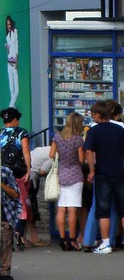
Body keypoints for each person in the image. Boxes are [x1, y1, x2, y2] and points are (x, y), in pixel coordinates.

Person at [82, 99, 124, 254]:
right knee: (122, 209)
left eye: (93, 114)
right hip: (120, 172)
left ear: (98, 115)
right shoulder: (120, 130)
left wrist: (92, 170)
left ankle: (105, 243)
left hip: (103, 174)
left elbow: (88, 151)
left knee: (103, 210)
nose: (92, 117)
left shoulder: (94, 131)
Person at [0, 107, 41, 247]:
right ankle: (19, 232)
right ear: (16, 119)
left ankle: (6, 236)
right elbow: (25, 151)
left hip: (2, 172)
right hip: (18, 172)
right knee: (22, 202)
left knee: (4, 203)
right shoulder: (21, 132)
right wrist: (29, 169)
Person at [50, 112, 86, 251]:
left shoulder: (57, 136)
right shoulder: (78, 140)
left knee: (61, 208)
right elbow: (81, 160)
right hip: (75, 175)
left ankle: (62, 238)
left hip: (62, 174)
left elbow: (51, 154)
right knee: (72, 209)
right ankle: (72, 239)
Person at [0, 147, 21, 280]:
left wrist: (0, 184)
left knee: (6, 241)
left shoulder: (5, 171)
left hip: (4, 213)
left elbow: (15, 193)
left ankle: (4, 271)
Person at [4, 16, 19, 108]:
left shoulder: (15, 32)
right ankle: (13, 106)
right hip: (9, 61)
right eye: (7, 25)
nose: (8, 26)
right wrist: (7, 48)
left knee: (16, 87)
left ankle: (11, 105)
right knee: (11, 87)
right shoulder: (7, 35)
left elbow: (16, 46)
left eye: (9, 24)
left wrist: (16, 61)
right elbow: (10, 50)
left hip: (14, 61)